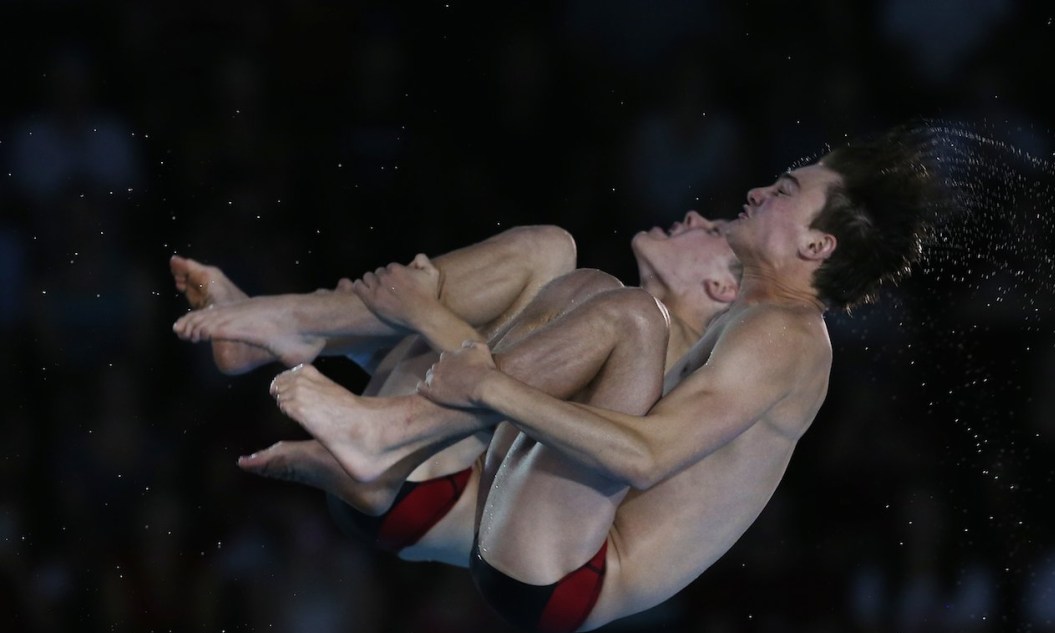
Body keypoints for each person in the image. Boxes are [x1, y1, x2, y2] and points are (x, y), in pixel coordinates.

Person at [265, 126, 942, 633]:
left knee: (624, 314)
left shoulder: (784, 335)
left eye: (786, 191)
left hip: (572, 574)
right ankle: (327, 355)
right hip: (536, 535)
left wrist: (485, 383)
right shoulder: (756, 323)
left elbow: (645, 457)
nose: (762, 189)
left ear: (815, 247)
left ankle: (383, 424)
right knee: (587, 286)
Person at [171, 212, 742, 564]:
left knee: (557, 260)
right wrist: (385, 328)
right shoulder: (619, 317)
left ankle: (299, 325)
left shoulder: (659, 359)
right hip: (414, 468)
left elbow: (508, 415)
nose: (694, 215)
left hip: (423, 489)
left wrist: (422, 313)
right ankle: (295, 327)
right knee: (553, 254)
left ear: (720, 286)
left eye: (712, 231)